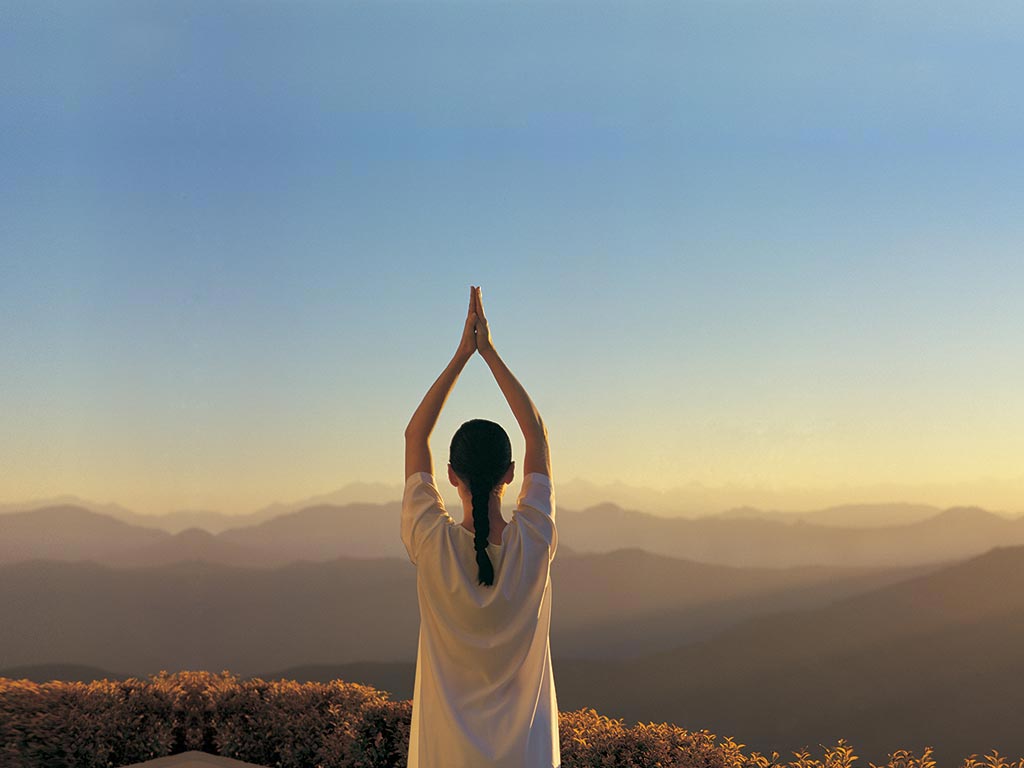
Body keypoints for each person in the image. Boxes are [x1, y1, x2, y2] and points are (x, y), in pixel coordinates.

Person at [402, 285, 560, 767]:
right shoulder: (535, 540)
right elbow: (535, 431)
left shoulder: (429, 540)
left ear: (451, 475)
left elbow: (415, 435)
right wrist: (488, 352)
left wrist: (461, 356)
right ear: (511, 474)